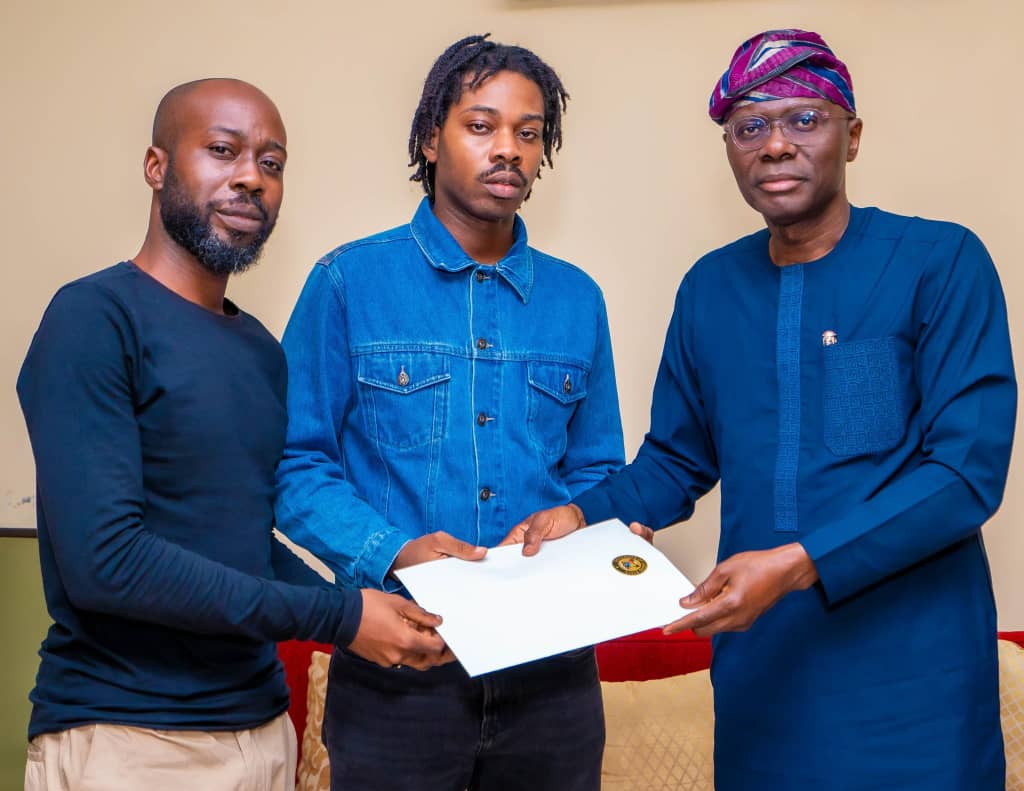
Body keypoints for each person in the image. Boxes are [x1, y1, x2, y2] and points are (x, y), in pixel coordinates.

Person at [505, 29, 1016, 790]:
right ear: (730, 148)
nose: (775, 144)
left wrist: (798, 562)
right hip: (765, 678)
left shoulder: (940, 262)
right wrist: (579, 517)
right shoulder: (710, 288)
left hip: (918, 681)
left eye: (805, 119)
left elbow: (964, 473)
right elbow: (676, 460)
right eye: (750, 126)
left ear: (853, 136)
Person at [17, 78, 450, 791]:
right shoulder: (92, 318)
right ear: (157, 167)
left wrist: (381, 598)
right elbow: (107, 561)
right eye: (223, 150)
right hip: (129, 739)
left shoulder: (258, 350)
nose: (251, 176)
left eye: (272, 163)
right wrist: (341, 614)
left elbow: (246, 545)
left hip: (260, 734)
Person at [274, 34, 625, 791]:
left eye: (528, 133)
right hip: (398, 667)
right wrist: (395, 550)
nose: (508, 149)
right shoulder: (345, 283)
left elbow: (599, 471)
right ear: (431, 138)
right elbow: (294, 463)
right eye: (481, 125)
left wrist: (583, 517)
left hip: (553, 679)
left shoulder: (578, 300)